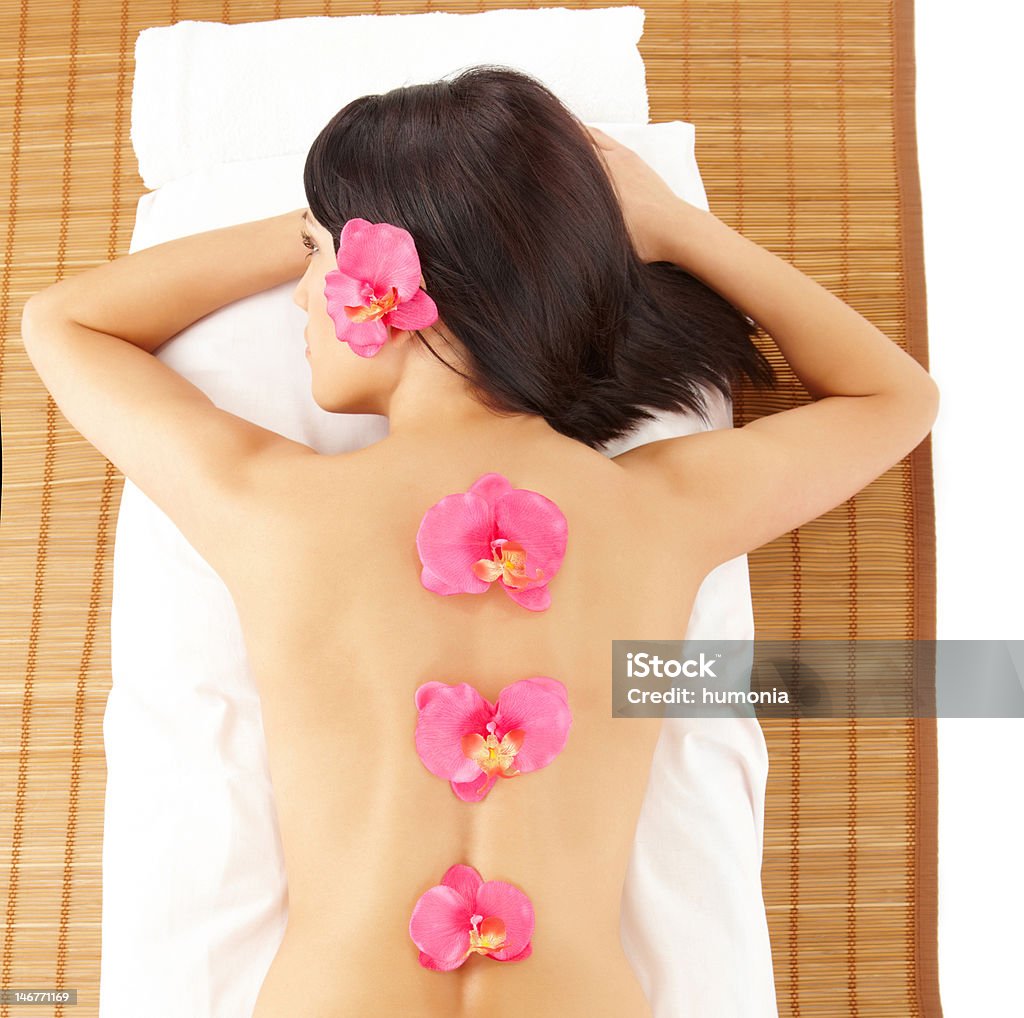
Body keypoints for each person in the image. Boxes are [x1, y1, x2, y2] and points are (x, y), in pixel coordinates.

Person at [21, 65, 938, 1017]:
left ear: (388, 281)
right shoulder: (659, 513)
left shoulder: (274, 509)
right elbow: (895, 398)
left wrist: (361, 228)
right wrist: (671, 228)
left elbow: (66, 322)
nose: (301, 298)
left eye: (317, 260)